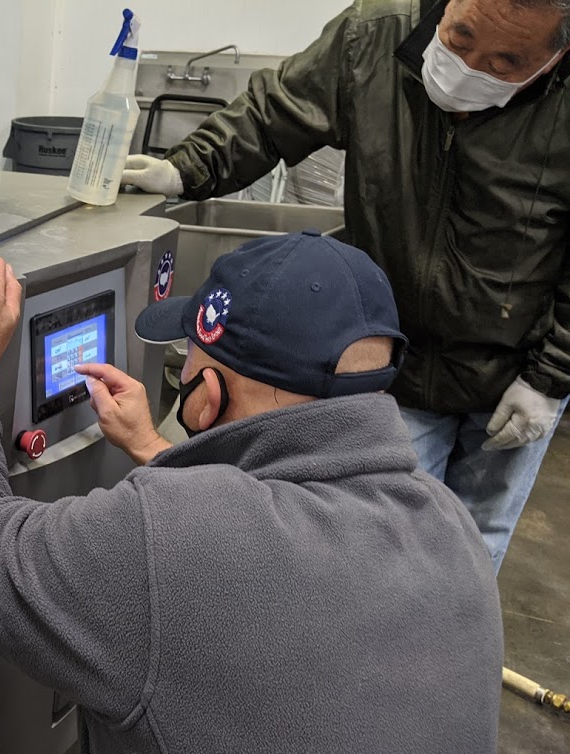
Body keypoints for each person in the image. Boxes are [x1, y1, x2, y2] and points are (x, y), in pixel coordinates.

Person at [0, 234, 503, 754]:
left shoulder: (167, 538)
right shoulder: (451, 527)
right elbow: (265, 536)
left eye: (186, 367)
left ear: (207, 396)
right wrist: (155, 446)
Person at [121, 0, 570, 571]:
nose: (472, 67)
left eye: (506, 61)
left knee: (475, 550)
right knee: (374, 551)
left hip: (516, 369)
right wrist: (187, 168)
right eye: (459, 38)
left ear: (558, 55)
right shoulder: (374, 36)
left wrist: (550, 378)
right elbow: (272, 114)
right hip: (391, 363)